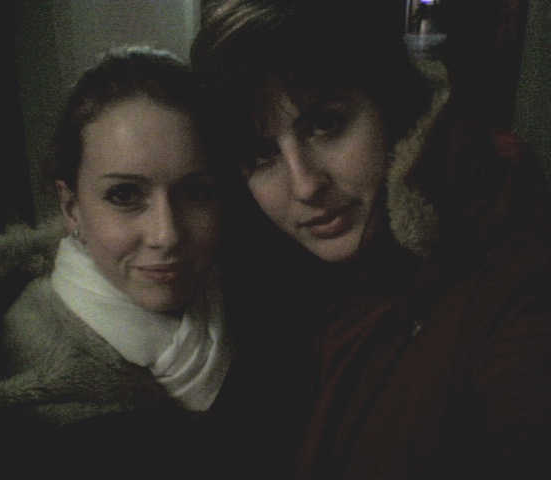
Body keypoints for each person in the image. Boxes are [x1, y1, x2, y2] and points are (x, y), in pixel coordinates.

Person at [191, 1, 551, 479]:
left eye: (325, 124)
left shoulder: (513, 289)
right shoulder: (264, 289)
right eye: (260, 154)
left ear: (392, 103)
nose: (304, 185)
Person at [0, 46, 231, 478]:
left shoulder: (255, 307)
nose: (167, 234)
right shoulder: (33, 416)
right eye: (124, 195)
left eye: (195, 192)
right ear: (71, 208)